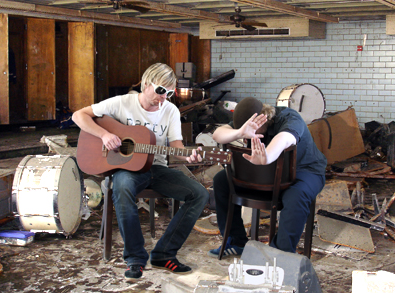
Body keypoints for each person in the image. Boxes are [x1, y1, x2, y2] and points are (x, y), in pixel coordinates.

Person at [72, 63, 209, 280]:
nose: (163, 98)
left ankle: (164, 254)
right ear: (146, 84)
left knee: (199, 194)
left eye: (169, 93)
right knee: (122, 186)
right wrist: (104, 135)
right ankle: (135, 257)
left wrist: (188, 156)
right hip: (128, 169)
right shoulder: (122, 103)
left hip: (158, 168)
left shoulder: (170, 110)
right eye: (160, 91)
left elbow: (176, 146)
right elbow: (79, 116)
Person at [208, 97, 326, 257]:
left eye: (252, 130)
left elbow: (284, 138)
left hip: (304, 171)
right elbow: (217, 134)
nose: (248, 136)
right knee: (222, 181)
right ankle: (236, 242)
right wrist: (240, 132)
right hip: (266, 174)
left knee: (296, 196)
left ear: (262, 119)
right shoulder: (247, 122)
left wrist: (267, 157)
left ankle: (281, 254)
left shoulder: (289, 117)